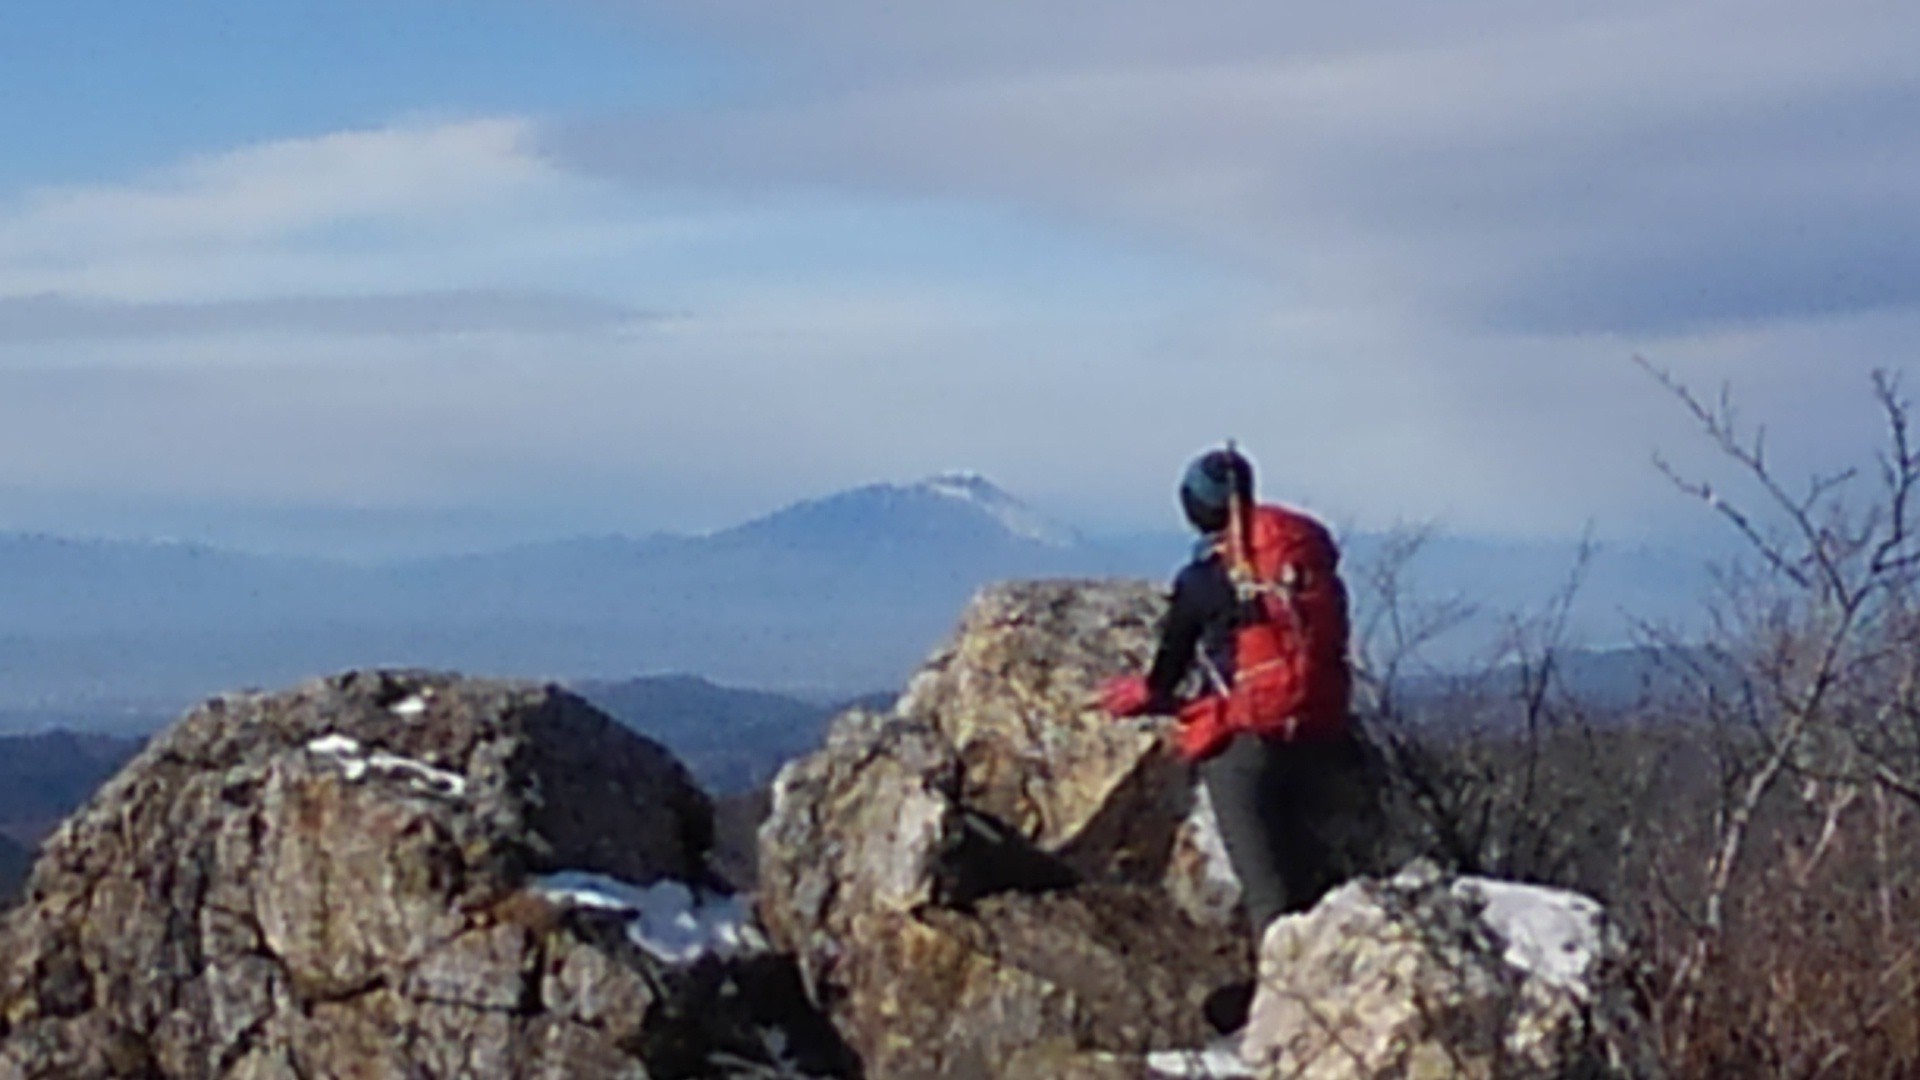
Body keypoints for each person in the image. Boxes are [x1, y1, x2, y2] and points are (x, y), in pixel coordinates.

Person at [1103, 446, 1375, 938]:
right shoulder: (1299, 563)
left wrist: (1146, 693)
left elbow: (1170, 667)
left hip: (1250, 740)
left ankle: (1283, 990)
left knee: (1269, 895)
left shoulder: (1205, 578)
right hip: (1324, 728)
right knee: (1325, 878)